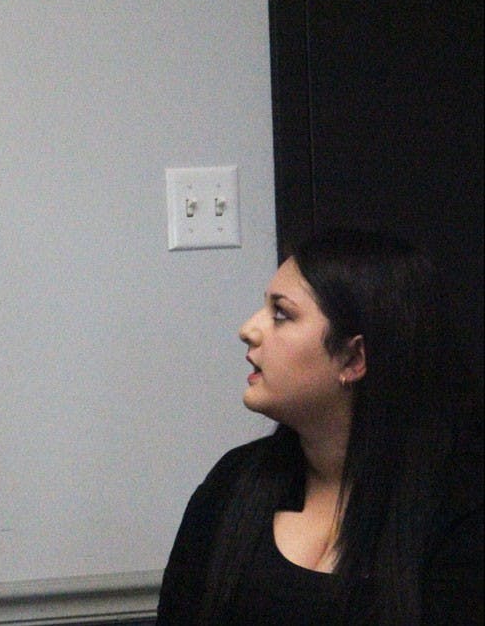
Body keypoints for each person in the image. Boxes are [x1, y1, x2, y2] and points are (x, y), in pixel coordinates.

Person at [157, 228, 483, 625]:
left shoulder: (458, 511)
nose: (249, 329)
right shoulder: (233, 484)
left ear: (352, 359)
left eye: (282, 314)